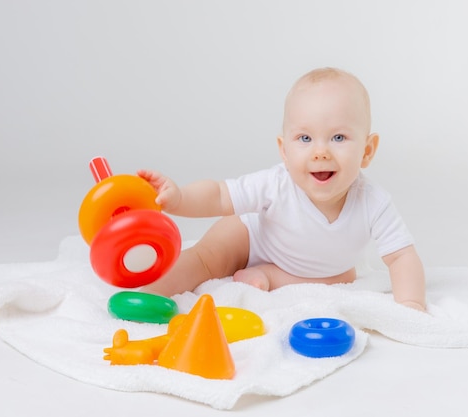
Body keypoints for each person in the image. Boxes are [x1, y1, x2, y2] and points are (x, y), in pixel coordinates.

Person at [138, 67, 426, 311]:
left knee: (343, 278)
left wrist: (411, 306)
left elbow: (401, 257)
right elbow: (220, 195)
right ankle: (145, 292)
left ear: (367, 150)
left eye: (338, 137)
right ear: (284, 150)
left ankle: (270, 276)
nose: (320, 152)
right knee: (208, 258)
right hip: (250, 236)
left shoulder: (373, 202)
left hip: (321, 268)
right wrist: (180, 198)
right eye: (304, 138)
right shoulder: (275, 184)